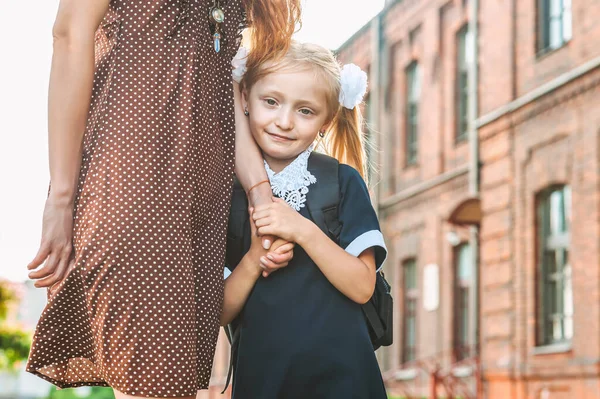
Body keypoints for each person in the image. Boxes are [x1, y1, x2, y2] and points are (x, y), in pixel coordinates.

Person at [24, 1, 299, 398]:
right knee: (157, 385)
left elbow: (224, 91)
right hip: (135, 187)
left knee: (178, 388)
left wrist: (260, 194)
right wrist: (61, 199)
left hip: (203, 207)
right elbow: (69, 36)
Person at [222, 41, 388, 398]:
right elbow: (217, 312)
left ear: (326, 120)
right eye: (271, 102)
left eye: (305, 111)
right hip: (262, 385)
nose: (284, 121)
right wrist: (254, 259)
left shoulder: (342, 183)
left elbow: (362, 286)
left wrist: (301, 230)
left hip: (345, 383)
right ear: (245, 100)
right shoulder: (227, 197)